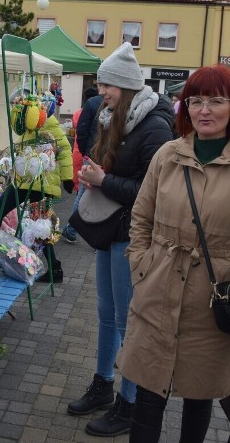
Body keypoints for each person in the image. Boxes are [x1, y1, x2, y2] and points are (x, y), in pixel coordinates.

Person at [116, 64, 230, 442]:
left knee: (199, 394)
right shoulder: (167, 155)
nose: (204, 110)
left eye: (215, 101)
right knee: (147, 391)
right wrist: (140, 265)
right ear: (185, 107)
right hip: (157, 288)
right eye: (196, 101)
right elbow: (141, 216)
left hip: (214, 298)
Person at [68, 42, 174, 437]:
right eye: (99, 83)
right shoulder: (111, 117)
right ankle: (102, 385)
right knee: (106, 314)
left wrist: (103, 181)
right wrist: (95, 170)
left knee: (129, 320)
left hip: (132, 236)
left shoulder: (156, 126)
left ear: (126, 85)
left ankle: (130, 403)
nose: (100, 91)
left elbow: (156, 192)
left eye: (106, 84)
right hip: (109, 229)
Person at [0, 92, 73, 283]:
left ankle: (54, 269)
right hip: (22, 182)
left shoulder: (46, 120)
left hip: (42, 183)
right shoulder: (24, 123)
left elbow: (64, 148)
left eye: (17, 105)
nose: (14, 110)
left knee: (40, 227)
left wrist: (67, 177)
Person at [61, 86, 102, 244]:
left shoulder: (90, 105)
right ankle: (91, 234)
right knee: (97, 196)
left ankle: (72, 230)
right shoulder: (121, 102)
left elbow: (82, 133)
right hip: (103, 156)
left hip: (90, 155)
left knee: (83, 195)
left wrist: (87, 154)